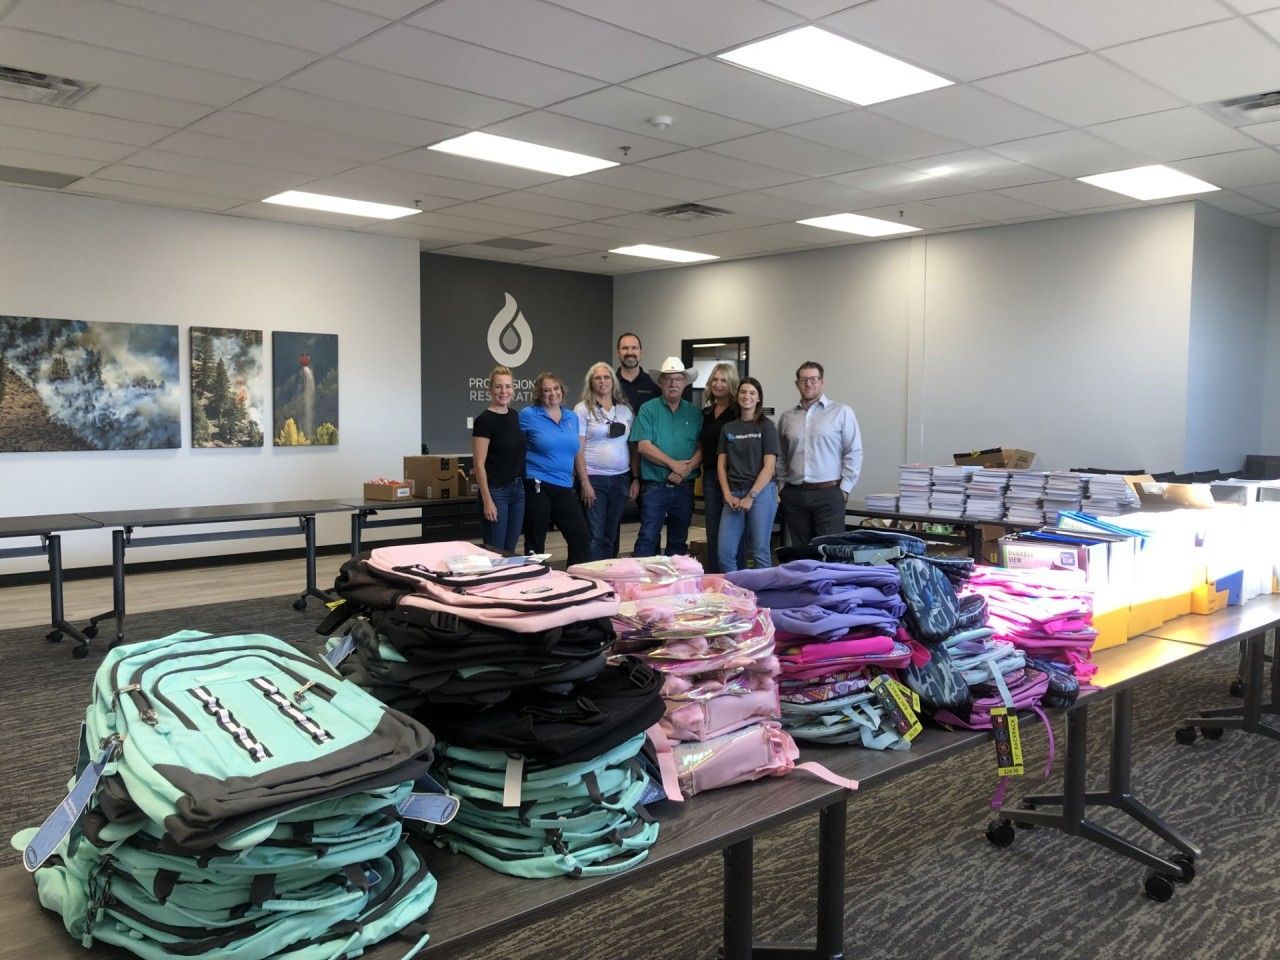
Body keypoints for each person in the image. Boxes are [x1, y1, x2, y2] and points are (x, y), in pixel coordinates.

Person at [777, 361, 863, 546]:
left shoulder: (841, 412)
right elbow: (781, 455)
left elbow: (853, 451)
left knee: (829, 552)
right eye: (803, 380)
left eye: (813, 379)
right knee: (801, 554)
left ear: (822, 382)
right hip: (795, 495)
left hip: (829, 494)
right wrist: (782, 486)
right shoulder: (787, 417)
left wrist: (845, 489)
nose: (808, 384)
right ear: (797, 384)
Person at [631, 357, 703, 557]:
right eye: (668, 379)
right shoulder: (648, 409)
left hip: (684, 487)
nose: (673, 383)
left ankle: (675, 578)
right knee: (648, 538)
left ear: (684, 383)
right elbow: (644, 447)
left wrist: (683, 471)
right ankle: (640, 577)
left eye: (678, 379)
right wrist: (674, 465)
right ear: (661, 382)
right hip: (654, 487)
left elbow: (702, 448)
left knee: (679, 542)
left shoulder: (695, 413)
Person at [519, 371, 591, 565]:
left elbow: (577, 450)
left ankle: (575, 577)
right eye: (546, 390)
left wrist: (585, 482)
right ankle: (534, 577)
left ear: (562, 390)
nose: (552, 393)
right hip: (537, 483)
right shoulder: (528, 415)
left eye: (556, 388)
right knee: (535, 540)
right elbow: (514, 445)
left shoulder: (571, 417)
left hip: (564, 484)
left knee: (580, 536)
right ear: (539, 394)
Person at [574, 362, 639, 561]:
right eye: (597, 378)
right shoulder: (582, 409)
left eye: (606, 377)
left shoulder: (625, 411)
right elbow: (578, 449)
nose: (602, 381)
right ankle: (594, 575)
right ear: (590, 383)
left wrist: (635, 478)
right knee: (595, 535)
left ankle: (610, 574)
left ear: (613, 381)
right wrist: (584, 483)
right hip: (594, 479)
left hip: (620, 479)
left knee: (611, 534)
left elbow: (633, 447)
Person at [716, 377, 779, 573]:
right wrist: (727, 495)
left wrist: (751, 496)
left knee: (760, 551)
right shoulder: (728, 428)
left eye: (752, 393)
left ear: (758, 398)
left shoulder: (766, 426)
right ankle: (736, 590)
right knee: (725, 553)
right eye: (743, 392)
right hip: (734, 495)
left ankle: (764, 591)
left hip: (761, 493)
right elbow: (721, 466)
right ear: (737, 396)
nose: (747, 396)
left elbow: (769, 467)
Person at [470, 365, 525, 553]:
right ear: (490, 389)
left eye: (508, 386)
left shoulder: (515, 416)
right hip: (496, 493)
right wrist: (487, 500)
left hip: (518, 491)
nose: (504, 391)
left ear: (513, 389)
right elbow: (479, 464)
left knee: (510, 551)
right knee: (495, 553)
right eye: (499, 386)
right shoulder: (484, 421)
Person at [698, 362, 739, 573]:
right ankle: (715, 579)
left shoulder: (738, 412)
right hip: (711, 477)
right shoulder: (706, 413)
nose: (718, 384)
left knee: (733, 534)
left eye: (724, 380)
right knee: (712, 533)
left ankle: (738, 580)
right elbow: (701, 446)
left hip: (734, 478)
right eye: (715, 379)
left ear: (731, 383)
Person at [615, 332, 660, 413]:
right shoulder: (609, 384)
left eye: (634, 348)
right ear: (618, 353)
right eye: (625, 348)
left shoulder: (654, 383)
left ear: (641, 352)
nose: (630, 352)